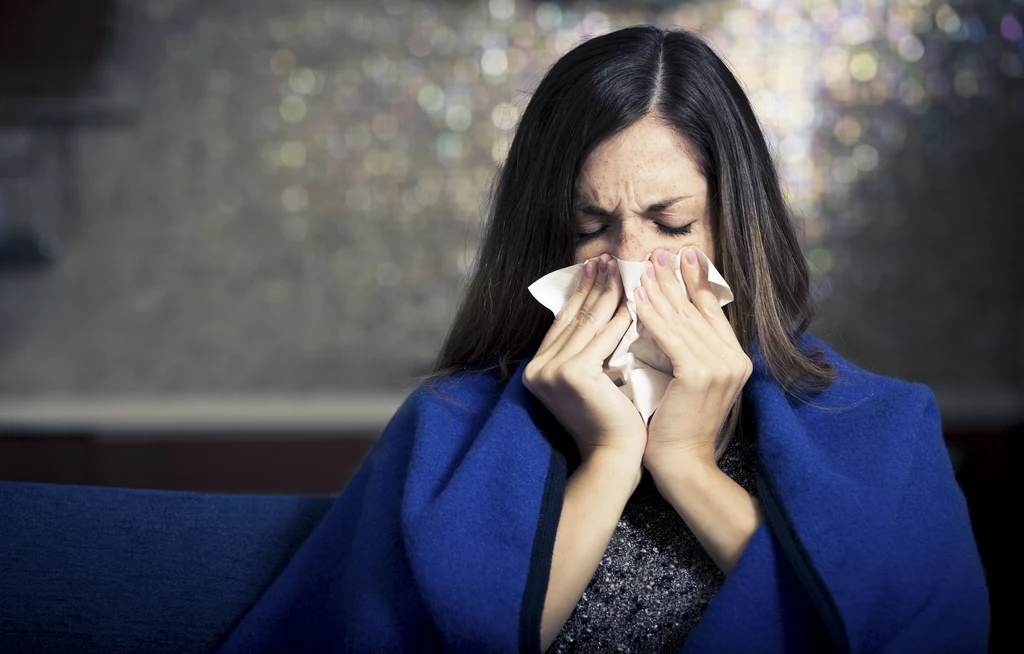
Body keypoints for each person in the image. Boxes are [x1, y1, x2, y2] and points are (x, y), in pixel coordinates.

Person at [215, 25, 989, 654]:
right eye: (591, 227)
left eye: (671, 224)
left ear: (734, 224)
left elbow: (886, 635)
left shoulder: (884, 429)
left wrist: (684, 462)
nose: (627, 263)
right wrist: (613, 457)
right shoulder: (449, 424)